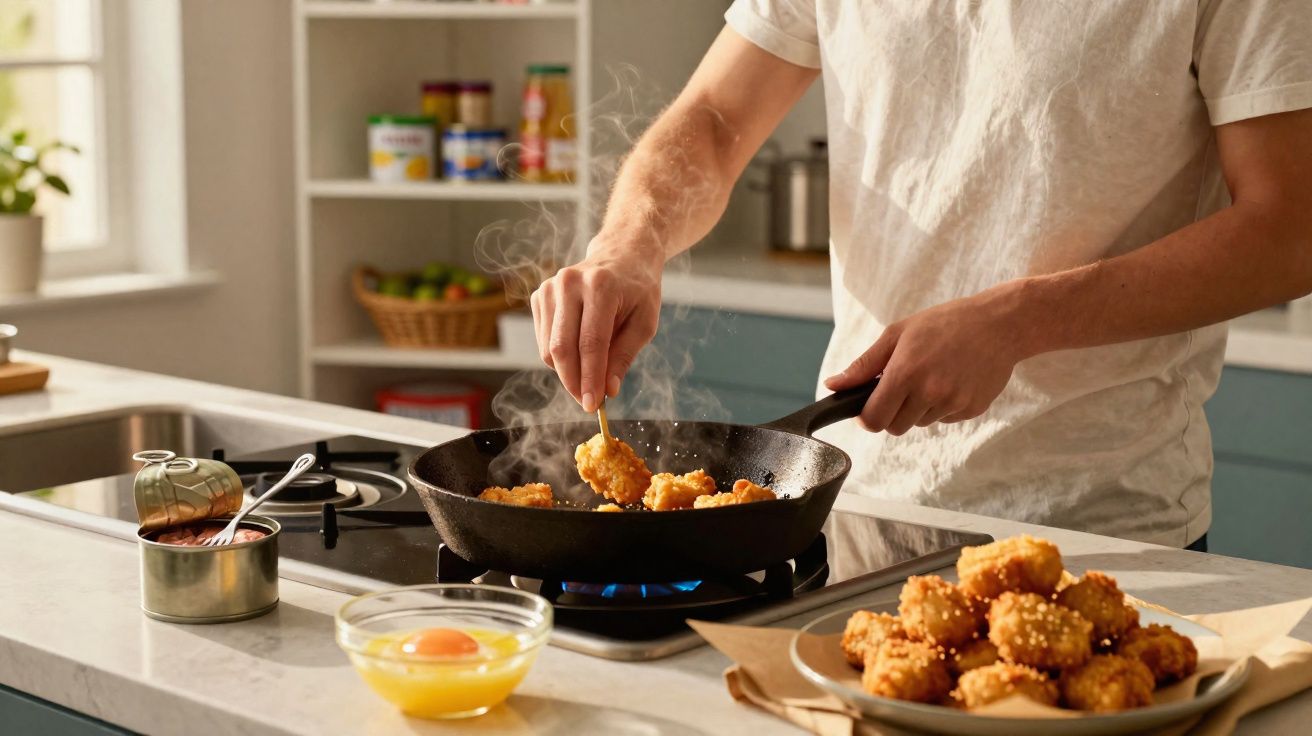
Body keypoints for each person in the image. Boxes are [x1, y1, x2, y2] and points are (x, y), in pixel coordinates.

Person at [529, 1, 1312, 548]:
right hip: (863, 510)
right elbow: (712, 118)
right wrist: (626, 244)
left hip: (1103, 522)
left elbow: (1290, 228)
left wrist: (1018, 321)